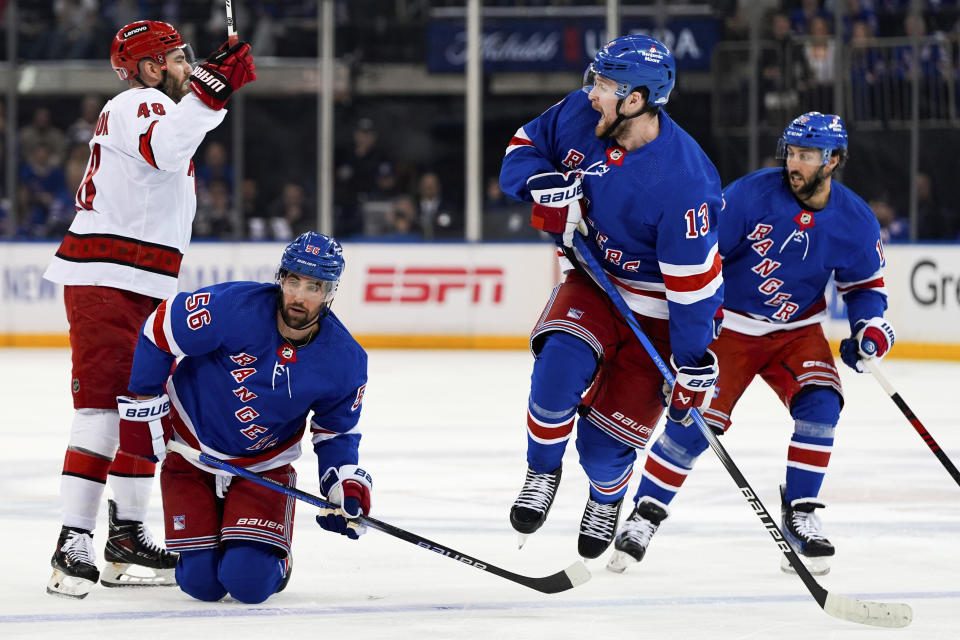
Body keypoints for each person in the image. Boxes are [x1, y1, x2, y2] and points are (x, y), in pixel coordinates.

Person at [616, 112, 894, 576]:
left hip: (797, 332)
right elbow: (703, 255)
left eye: (807, 155)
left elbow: (864, 285)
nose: (794, 163)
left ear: (835, 160)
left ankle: (801, 513)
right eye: (792, 152)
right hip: (733, 329)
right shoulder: (750, 194)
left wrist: (869, 327)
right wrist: (696, 321)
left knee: (822, 404)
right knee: (695, 426)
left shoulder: (855, 220)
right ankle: (644, 515)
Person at [42, 20, 257, 598]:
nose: (186, 64)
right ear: (149, 66)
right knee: (102, 413)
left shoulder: (156, 109)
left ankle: (127, 536)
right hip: (107, 280)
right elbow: (167, 148)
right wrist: (214, 85)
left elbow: (177, 138)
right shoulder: (137, 102)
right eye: (177, 57)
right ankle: (72, 541)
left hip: (139, 282)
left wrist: (213, 89)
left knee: (140, 408)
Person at [498, 35, 724, 561]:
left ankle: (606, 495)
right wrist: (543, 183)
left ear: (637, 100)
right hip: (595, 282)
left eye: (604, 85)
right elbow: (522, 148)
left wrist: (691, 367)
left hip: (662, 313)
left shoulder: (685, 182)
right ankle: (541, 471)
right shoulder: (582, 112)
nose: (590, 93)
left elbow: (693, 290)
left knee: (603, 452)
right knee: (556, 371)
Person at [116, 233, 371, 604]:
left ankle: (272, 558)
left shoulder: (345, 359)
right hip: (192, 451)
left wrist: (343, 485)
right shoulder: (234, 307)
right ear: (280, 278)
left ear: (330, 293)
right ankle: (226, 535)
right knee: (201, 584)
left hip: (263, 464)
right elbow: (160, 330)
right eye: (294, 280)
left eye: (314, 286)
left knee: (248, 582)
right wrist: (144, 402)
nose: (300, 296)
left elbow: (335, 432)